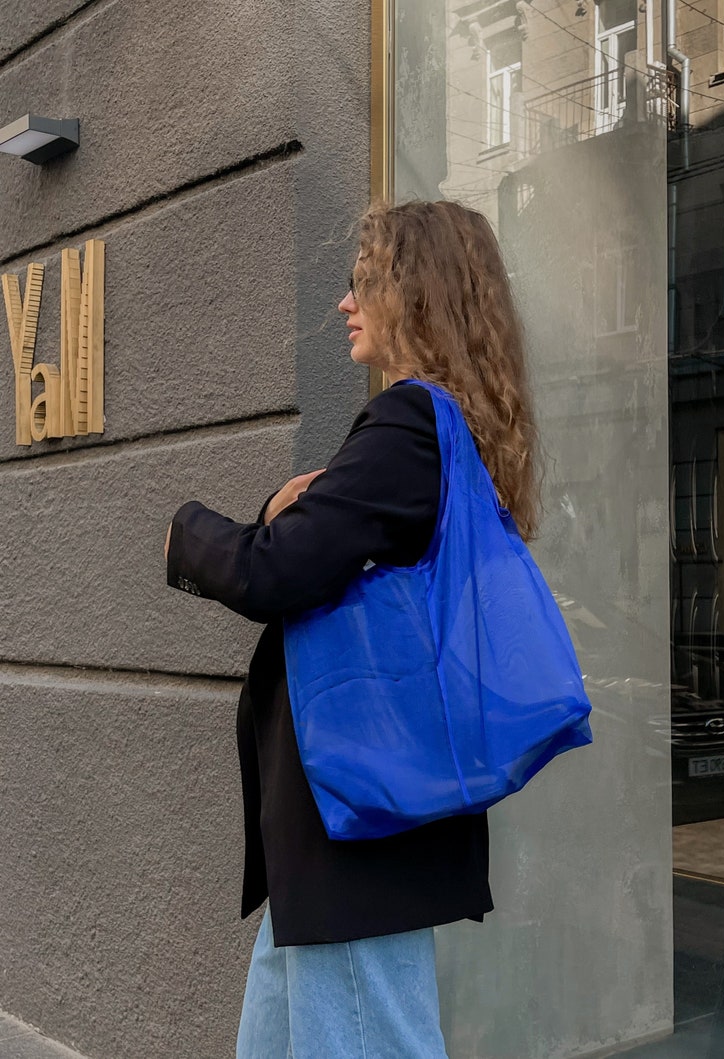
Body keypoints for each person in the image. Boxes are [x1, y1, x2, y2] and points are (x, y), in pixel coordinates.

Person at [164, 200, 541, 1059]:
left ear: (415, 293)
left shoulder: (409, 423)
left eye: (362, 281)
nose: (345, 302)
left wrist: (186, 532)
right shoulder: (450, 430)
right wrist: (278, 513)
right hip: (350, 824)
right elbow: (313, 542)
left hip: (356, 819)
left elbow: (278, 570)